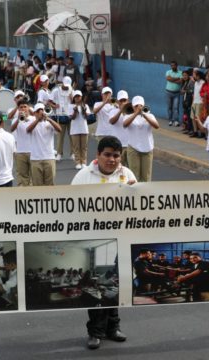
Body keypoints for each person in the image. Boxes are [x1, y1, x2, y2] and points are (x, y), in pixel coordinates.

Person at [71, 136, 136, 349]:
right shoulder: (83, 176)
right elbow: (69, 207)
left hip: (121, 243)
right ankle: (95, 332)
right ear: (97, 156)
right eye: (107, 154)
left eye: (116, 155)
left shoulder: (127, 175)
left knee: (114, 288)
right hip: (94, 241)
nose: (112, 159)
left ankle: (113, 328)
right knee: (97, 290)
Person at [124, 96, 159, 182]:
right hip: (133, 148)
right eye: (136, 106)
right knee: (134, 176)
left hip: (147, 148)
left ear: (143, 106)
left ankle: (144, 194)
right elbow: (125, 124)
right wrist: (136, 113)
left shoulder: (150, 115)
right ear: (132, 107)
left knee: (146, 177)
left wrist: (144, 115)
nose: (138, 108)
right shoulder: (128, 116)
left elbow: (157, 126)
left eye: (140, 106)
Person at [26, 103, 61, 185]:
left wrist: (49, 119)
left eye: (42, 110)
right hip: (35, 159)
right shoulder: (32, 123)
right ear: (34, 113)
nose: (41, 112)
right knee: (37, 186)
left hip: (49, 158)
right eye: (38, 111)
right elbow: (28, 130)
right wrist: (38, 120)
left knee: (50, 185)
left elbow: (59, 129)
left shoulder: (49, 123)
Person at [49, 76, 73, 160]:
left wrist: (71, 98)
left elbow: (76, 101)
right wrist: (54, 106)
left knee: (72, 135)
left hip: (70, 115)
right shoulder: (56, 91)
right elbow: (49, 101)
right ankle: (59, 153)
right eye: (65, 85)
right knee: (60, 136)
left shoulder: (71, 90)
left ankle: (72, 153)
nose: (66, 87)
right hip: (60, 115)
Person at [11, 99, 34, 186]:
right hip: (20, 151)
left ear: (28, 108)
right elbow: (12, 129)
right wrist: (18, 119)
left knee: (33, 176)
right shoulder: (15, 120)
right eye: (21, 107)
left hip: (32, 151)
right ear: (18, 109)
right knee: (22, 176)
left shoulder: (34, 119)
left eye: (25, 107)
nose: (23, 109)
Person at [69, 90, 91, 169]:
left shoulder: (86, 106)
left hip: (84, 129)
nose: (77, 98)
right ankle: (78, 162)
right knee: (76, 147)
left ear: (81, 97)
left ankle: (84, 162)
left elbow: (86, 117)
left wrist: (84, 110)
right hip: (74, 129)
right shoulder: (70, 106)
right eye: (76, 96)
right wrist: (75, 111)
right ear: (74, 98)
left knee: (84, 147)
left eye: (79, 96)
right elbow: (72, 118)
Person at [109, 90, 130, 167]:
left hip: (130, 144)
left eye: (124, 100)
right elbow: (112, 121)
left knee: (130, 168)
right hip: (118, 144)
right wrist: (121, 110)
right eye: (121, 100)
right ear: (117, 101)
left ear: (128, 100)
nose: (123, 102)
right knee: (119, 167)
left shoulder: (131, 111)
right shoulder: (113, 111)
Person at [165, 60, 182, 126]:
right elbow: (168, 79)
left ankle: (176, 121)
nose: (172, 66)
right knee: (169, 107)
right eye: (171, 65)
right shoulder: (168, 72)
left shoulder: (180, 72)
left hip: (176, 93)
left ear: (176, 66)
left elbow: (180, 82)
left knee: (175, 107)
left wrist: (172, 79)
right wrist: (177, 78)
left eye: (174, 65)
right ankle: (170, 120)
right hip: (168, 92)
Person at [190, 70, 205, 138]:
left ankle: (202, 132)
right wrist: (192, 102)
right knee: (192, 117)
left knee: (198, 118)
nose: (194, 76)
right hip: (195, 102)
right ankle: (195, 131)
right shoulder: (196, 83)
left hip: (200, 102)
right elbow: (195, 93)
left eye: (195, 75)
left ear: (198, 76)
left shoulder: (203, 83)